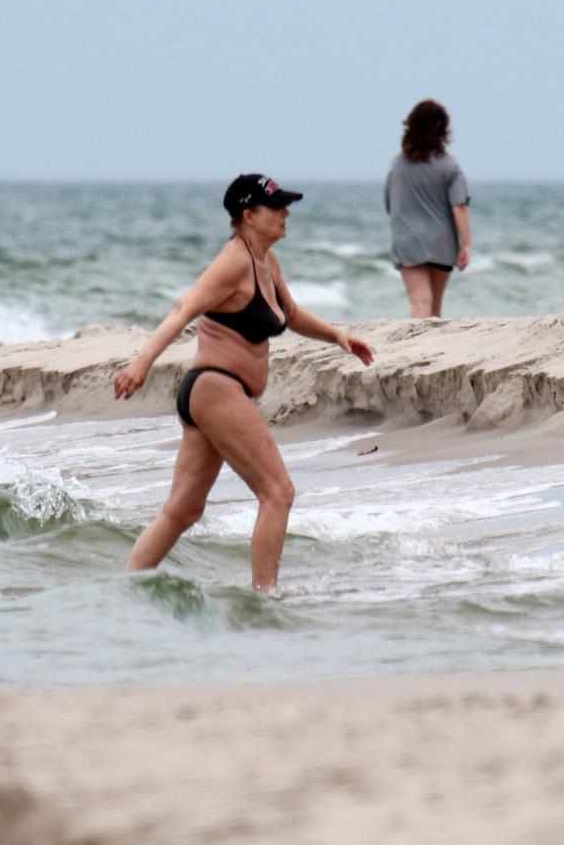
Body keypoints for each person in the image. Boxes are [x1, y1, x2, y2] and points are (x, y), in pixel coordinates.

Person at [114, 174, 374, 593]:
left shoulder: (267, 261)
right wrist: (140, 364)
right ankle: (265, 600)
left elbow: (290, 312)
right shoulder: (233, 262)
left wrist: (338, 336)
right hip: (217, 388)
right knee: (278, 493)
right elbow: (184, 308)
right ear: (249, 215)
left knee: (183, 511)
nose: (287, 213)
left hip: (211, 394)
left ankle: (125, 590)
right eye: (278, 208)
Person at [384, 99, 471, 318]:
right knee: (435, 306)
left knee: (419, 301)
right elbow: (459, 207)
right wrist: (466, 244)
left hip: (408, 240)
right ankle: (433, 348)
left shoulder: (398, 164)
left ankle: (418, 347)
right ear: (442, 129)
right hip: (442, 242)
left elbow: (389, 203)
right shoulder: (450, 166)